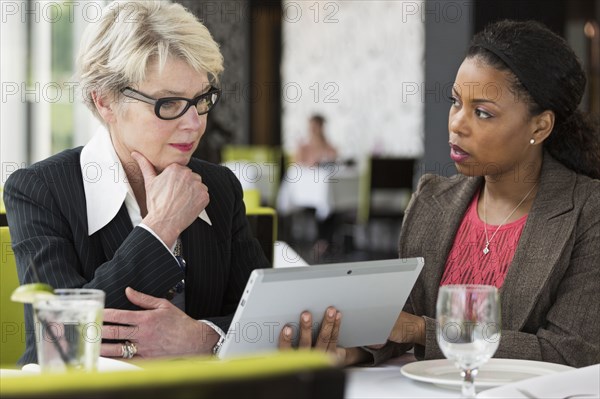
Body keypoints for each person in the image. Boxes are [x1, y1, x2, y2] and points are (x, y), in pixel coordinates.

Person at [291, 20, 600, 368]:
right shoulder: (431, 199)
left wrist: (423, 331)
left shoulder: (588, 212)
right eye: (456, 102)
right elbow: (401, 320)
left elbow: (566, 353)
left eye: (482, 112)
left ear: (540, 126)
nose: (456, 123)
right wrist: (352, 348)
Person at [3, 0, 272, 364]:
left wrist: (201, 338)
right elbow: (60, 342)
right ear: (105, 103)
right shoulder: (40, 190)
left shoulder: (219, 186)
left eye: (201, 99)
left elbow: (263, 319)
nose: (194, 124)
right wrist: (161, 227)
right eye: (169, 104)